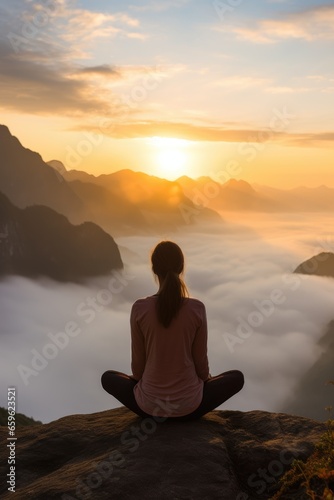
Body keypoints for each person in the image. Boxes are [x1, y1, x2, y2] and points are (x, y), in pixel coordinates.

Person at [101, 240, 244, 421]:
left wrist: (151, 385)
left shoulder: (139, 309)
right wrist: (198, 383)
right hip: (191, 407)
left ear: (154, 269)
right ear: (182, 267)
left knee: (108, 378)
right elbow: (201, 368)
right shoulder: (197, 309)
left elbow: (137, 371)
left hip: (149, 408)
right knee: (236, 377)